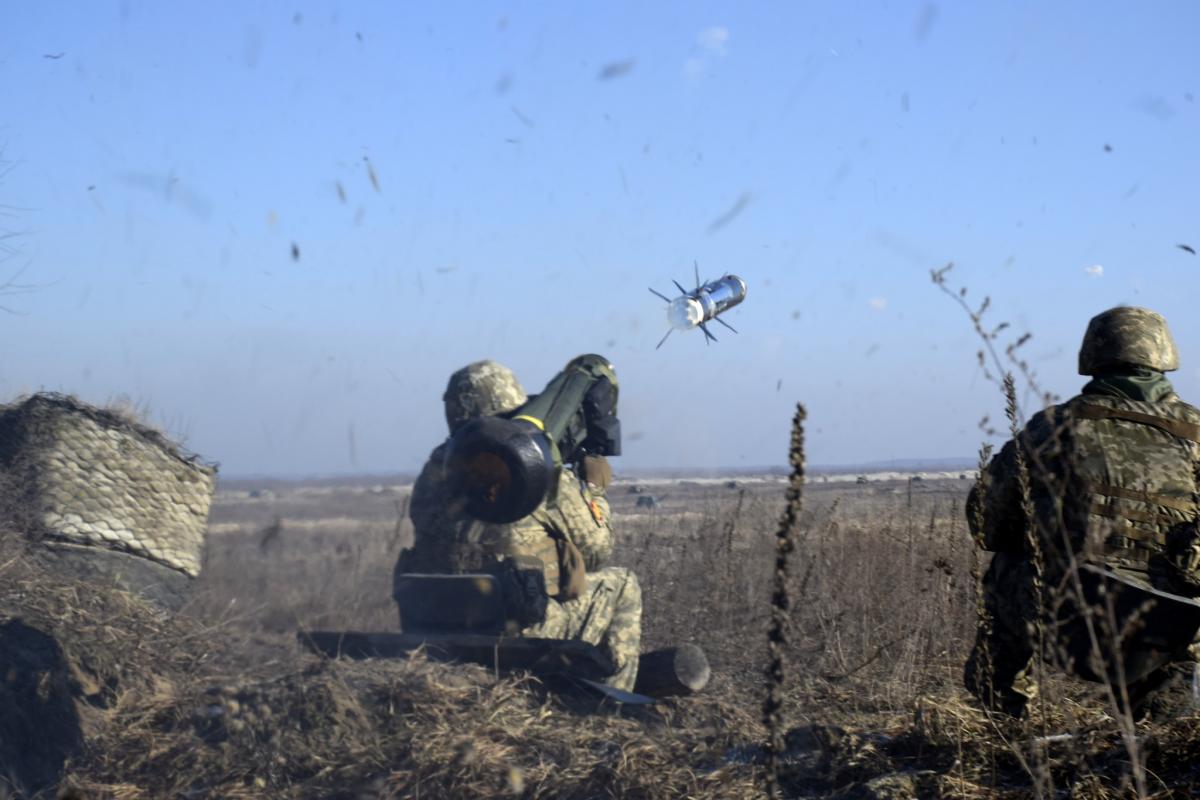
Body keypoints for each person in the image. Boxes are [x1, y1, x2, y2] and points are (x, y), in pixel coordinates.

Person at [965, 306, 1200, 718]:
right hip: (1163, 628)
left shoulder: (1052, 427)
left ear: (1092, 354)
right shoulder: (1196, 433)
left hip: (1064, 615)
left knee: (1008, 564)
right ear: (1164, 356)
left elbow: (985, 522)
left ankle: (1003, 715)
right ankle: (1163, 730)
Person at [394, 359, 642, 691]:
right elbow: (598, 550)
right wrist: (593, 489)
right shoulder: (531, 466)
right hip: (518, 630)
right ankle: (610, 708)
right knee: (624, 585)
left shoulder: (433, 472)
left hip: (436, 625)